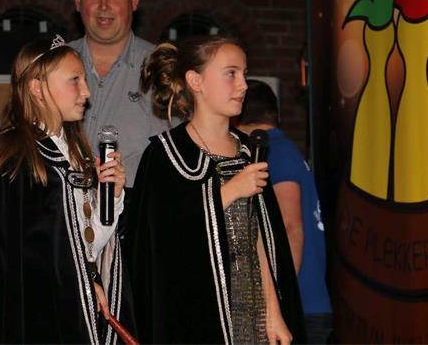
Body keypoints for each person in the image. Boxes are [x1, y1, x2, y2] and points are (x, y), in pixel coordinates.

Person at [125, 35, 305, 344]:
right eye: (231, 73)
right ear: (196, 81)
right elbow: (159, 243)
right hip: (194, 319)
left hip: (253, 314)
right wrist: (229, 191)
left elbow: (259, 239)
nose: (243, 85)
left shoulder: (247, 150)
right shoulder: (165, 155)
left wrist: (274, 311)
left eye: (244, 73)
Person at [0, 35, 133, 344]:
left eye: (84, 80)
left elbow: (84, 243)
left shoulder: (72, 152)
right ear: (37, 88)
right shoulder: (15, 158)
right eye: (74, 80)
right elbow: (15, 261)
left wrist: (111, 196)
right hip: (40, 319)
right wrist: (79, 281)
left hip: (73, 306)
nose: (86, 92)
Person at [238, 79, 333, 344]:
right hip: (307, 305)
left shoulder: (275, 153)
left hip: (300, 307)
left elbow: (291, 227)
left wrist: (277, 300)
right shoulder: (285, 150)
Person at [69, 0, 170, 201]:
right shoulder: (47, 68)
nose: (104, 6)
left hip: (137, 218)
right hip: (60, 218)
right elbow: (7, 150)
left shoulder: (164, 70)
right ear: (78, 0)